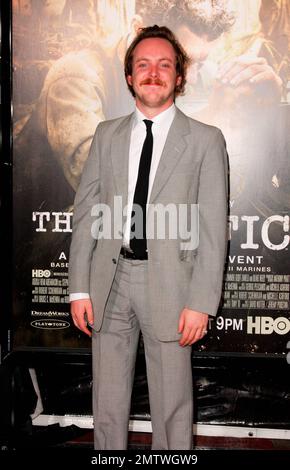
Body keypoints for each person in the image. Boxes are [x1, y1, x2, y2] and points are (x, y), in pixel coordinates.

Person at [69, 25, 228, 450]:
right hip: (109, 284)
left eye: (164, 65)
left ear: (179, 77)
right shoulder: (106, 135)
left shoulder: (206, 141)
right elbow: (86, 215)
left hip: (174, 290)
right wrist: (78, 288)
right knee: (107, 404)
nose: (152, 73)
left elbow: (214, 229)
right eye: (143, 65)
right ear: (129, 76)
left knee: (173, 407)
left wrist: (201, 302)